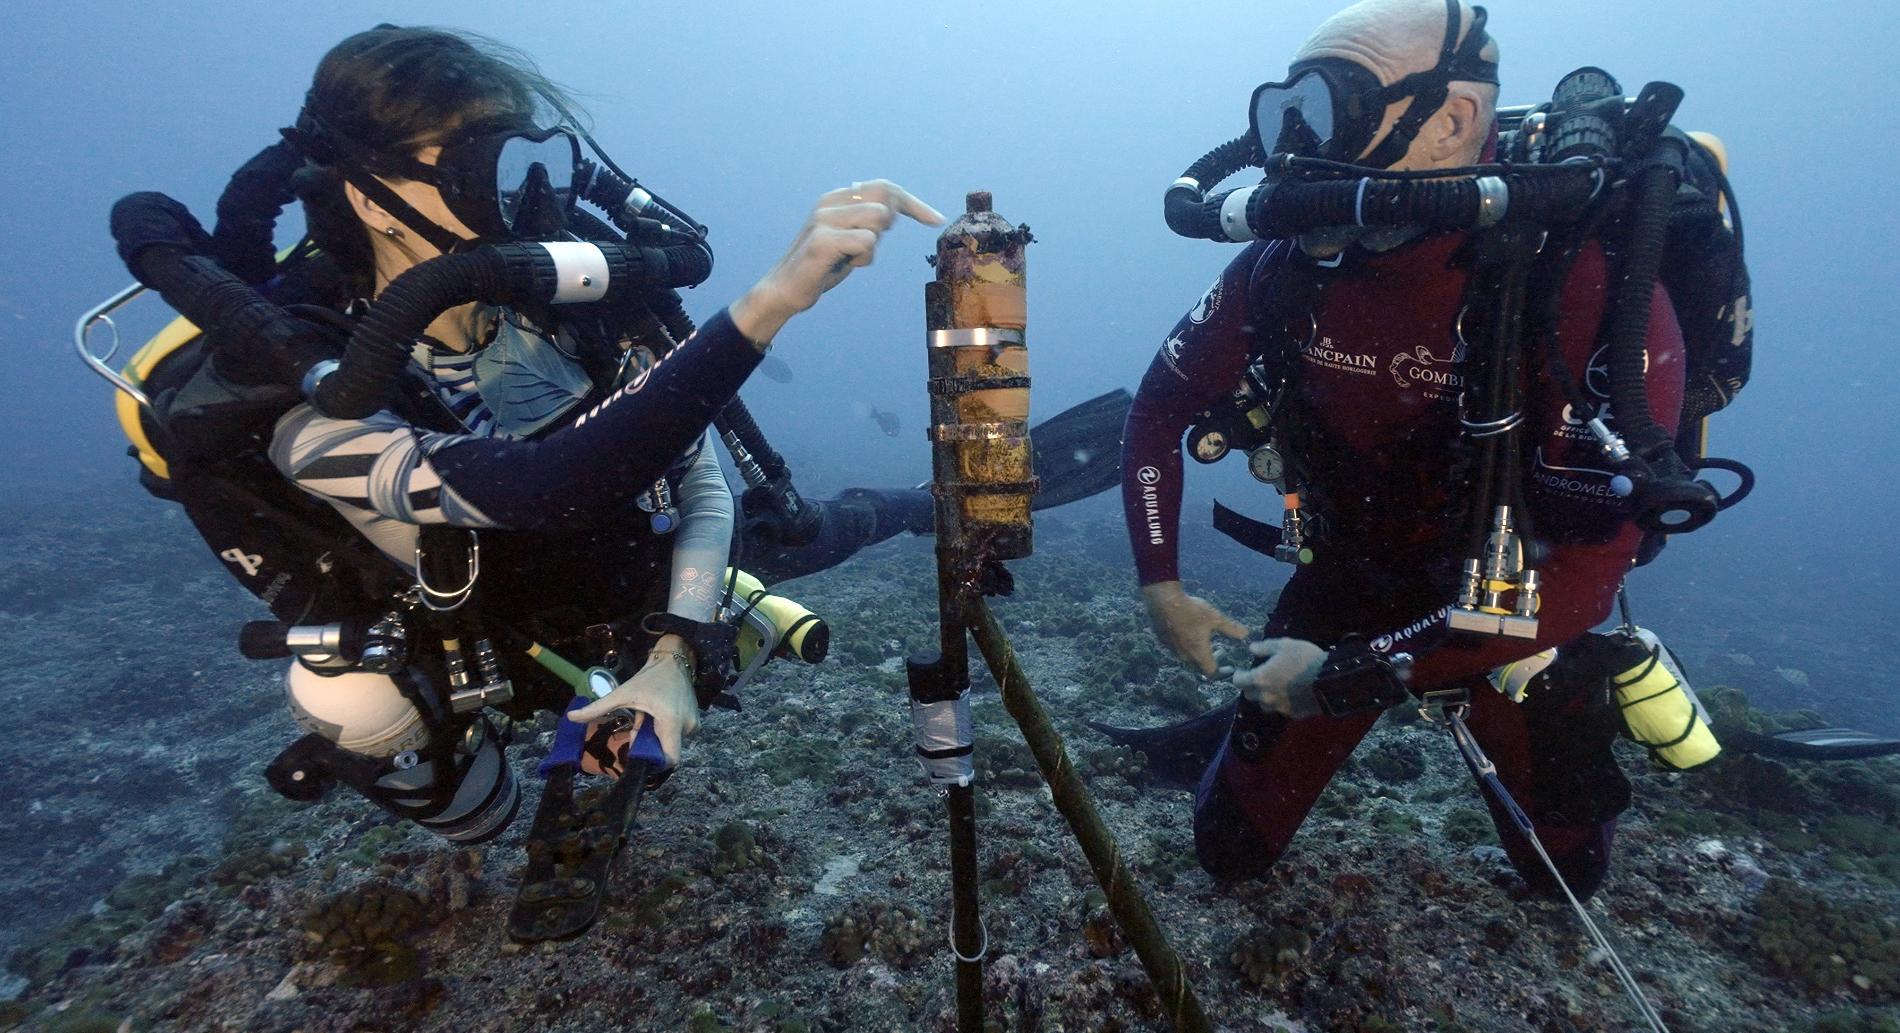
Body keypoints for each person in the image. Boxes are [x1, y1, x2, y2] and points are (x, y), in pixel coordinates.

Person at [200, 26, 942, 842]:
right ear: (372, 196)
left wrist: (674, 653)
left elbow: (694, 471)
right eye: (471, 169)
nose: (519, 201)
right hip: (462, 633)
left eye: (518, 159)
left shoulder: (561, 294)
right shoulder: (298, 372)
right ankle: (465, 788)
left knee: (812, 532)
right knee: (414, 759)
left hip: (628, 576)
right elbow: (545, 486)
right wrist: (769, 302)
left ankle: (922, 502)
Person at [1118, 0, 1687, 899]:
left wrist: (1346, 679)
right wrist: (1163, 588)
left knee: (1564, 878)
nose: (1298, 146)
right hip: (1351, 574)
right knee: (1228, 849)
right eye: (1285, 111)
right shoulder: (1285, 266)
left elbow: (1585, 570)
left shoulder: (1577, 282)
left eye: (1335, 103)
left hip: (1514, 609)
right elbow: (1159, 411)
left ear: (1455, 120)